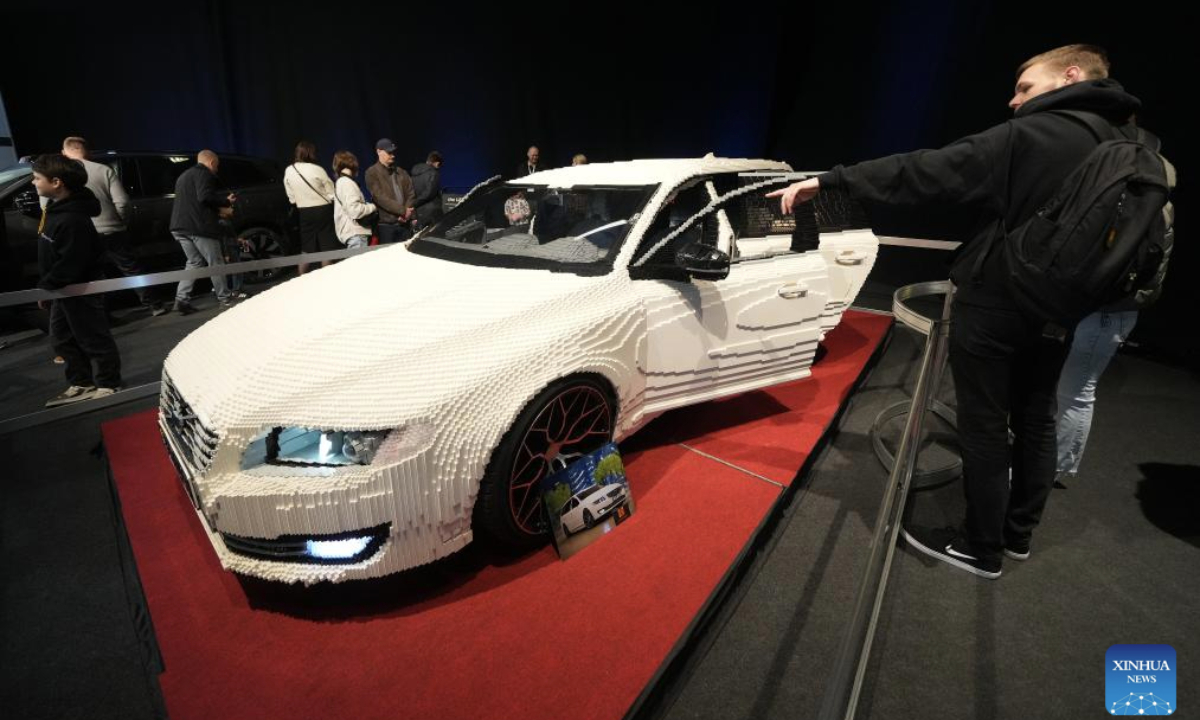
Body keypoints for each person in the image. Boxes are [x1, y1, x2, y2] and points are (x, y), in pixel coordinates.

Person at [768, 44, 1149, 579]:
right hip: (1063, 304)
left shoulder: (1034, 135)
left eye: (1026, 87)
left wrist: (832, 181)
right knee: (1037, 417)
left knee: (985, 424)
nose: (1014, 101)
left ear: (1070, 76)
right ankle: (1016, 536)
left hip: (999, 300)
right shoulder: (1127, 142)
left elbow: (925, 171)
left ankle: (980, 547)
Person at [31, 154, 123, 407]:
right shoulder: (56, 210)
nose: (33, 182)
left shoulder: (72, 219)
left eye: (38, 178)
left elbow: (73, 261)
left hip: (80, 287)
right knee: (61, 338)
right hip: (63, 289)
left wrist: (46, 287)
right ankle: (81, 382)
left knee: (93, 336)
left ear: (57, 182)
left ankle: (109, 382)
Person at [60, 136, 168, 315]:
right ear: (88, 151)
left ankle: (101, 315)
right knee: (131, 269)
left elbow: (46, 207)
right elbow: (123, 202)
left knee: (90, 276)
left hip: (80, 234)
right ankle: (155, 305)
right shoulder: (103, 170)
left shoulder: (60, 175)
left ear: (64, 152)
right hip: (111, 230)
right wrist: (119, 221)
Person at [169, 149, 242, 313]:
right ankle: (225, 299)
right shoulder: (205, 173)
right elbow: (204, 197)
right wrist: (225, 202)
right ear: (212, 163)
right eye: (217, 166)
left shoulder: (183, 176)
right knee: (216, 262)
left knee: (194, 263)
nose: (217, 170)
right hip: (198, 228)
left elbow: (195, 203)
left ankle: (181, 300)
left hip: (179, 227)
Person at [283, 140, 338, 274]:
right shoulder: (317, 169)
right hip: (323, 210)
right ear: (311, 153)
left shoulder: (290, 170)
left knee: (307, 248)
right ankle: (327, 280)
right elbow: (331, 193)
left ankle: (301, 280)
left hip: (304, 211)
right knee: (326, 248)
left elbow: (291, 198)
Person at [364, 138, 415, 244]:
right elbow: (379, 197)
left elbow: (411, 193)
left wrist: (407, 214)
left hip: (405, 224)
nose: (392, 155)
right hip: (387, 226)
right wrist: (402, 211)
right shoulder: (371, 173)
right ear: (378, 151)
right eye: (389, 152)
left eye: (393, 152)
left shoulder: (401, 172)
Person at [331, 150, 376, 251]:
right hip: (356, 234)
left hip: (354, 234)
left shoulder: (342, 182)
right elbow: (355, 210)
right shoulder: (346, 182)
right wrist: (373, 206)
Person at [410, 151, 444, 229]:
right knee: (436, 237)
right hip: (433, 213)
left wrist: (414, 204)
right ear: (437, 163)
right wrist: (415, 203)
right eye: (439, 166)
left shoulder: (414, 174)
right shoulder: (434, 173)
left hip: (419, 212)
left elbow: (411, 192)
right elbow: (429, 193)